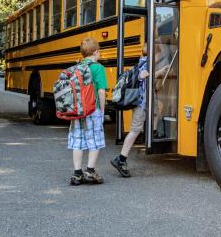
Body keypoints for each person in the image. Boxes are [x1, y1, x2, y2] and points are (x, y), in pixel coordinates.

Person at [110, 42, 167, 177]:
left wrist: (158, 72)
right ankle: (121, 159)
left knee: (157, 110)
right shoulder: (146, 64)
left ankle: (153, 132)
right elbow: (144, 77)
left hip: (143, 103)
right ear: (155, 54)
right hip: (141, 104)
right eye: (159, 54)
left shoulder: (142, 62)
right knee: (134, 130)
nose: (159, 57)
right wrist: (157, 73)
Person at [68, 37, 108, 185]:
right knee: (95, 140)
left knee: (78, 140)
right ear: (96, 52)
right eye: (100, 52)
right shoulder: (98, 68)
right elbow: (101, 91)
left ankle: (77, 174)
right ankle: (90, 171)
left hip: (77, 110)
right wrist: (102, 110)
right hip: (93, 109)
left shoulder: (77, 67)